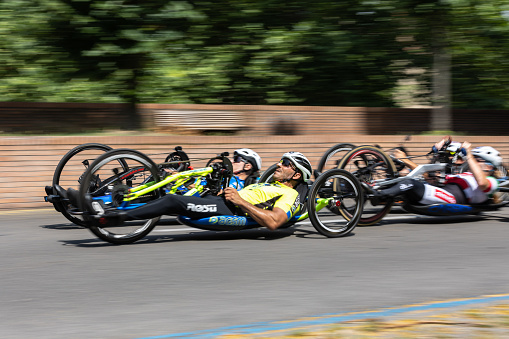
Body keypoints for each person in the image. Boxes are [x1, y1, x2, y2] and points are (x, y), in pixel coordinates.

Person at [86, 151, 313, 231]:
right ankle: (96, 202)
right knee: (171, 187)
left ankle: (112, 218)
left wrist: (241, 201)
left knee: (173, 201)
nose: (280, 164)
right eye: (281, 160)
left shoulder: (290, 194)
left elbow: (275, 222)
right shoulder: (270, 184)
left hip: (230, 208)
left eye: (287, 164)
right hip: (223, 199)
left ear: (295, 175)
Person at [366, 140, 500, 206]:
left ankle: (378, 195)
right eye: (475, 160)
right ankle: (366, 189)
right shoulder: (464, 175)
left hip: (451, 198)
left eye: (478, 160)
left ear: (489, 167)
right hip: (441, 192)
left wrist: (469, 155)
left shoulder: (492, 182)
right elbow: (430, 179)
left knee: (410, 183)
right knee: (406, 180)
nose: (474, 162)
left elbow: (482, 183)